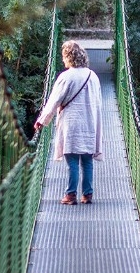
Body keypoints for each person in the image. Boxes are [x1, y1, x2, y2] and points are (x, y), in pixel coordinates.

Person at [34, 40, 103, 205]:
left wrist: (42, 121)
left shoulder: (65, 77)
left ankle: (71, 195)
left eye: (64, 57)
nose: (63, 60)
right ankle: (87, 194)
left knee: (71, 159)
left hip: (70, 124)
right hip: (89, 123)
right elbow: (98, 102)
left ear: (69, 57)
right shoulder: (92, 76)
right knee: (87, 160)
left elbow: (54, 101)